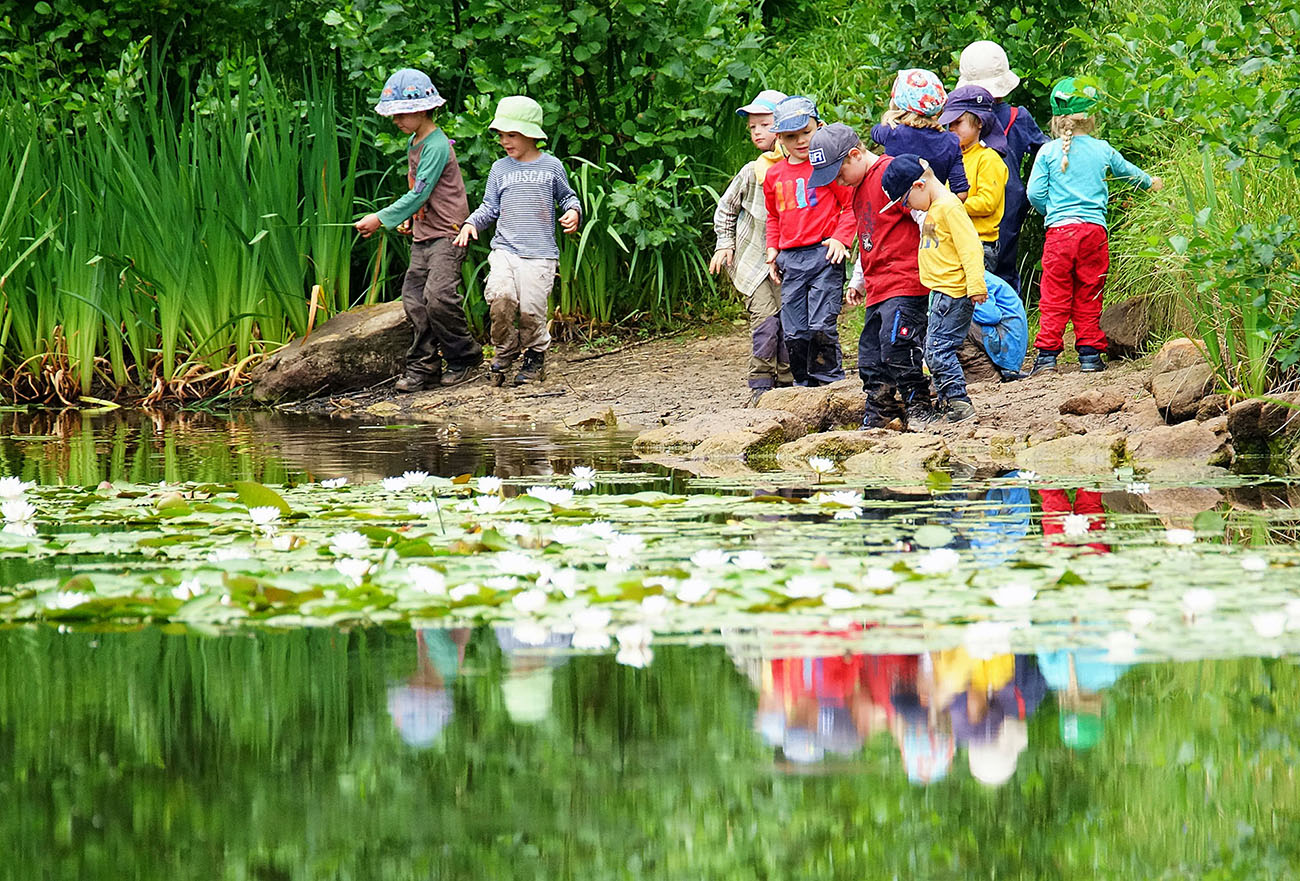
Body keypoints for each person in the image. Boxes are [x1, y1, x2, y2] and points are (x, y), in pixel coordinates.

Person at [355, 69, 483, 391]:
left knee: (438, 297)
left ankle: (464, 356)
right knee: (413, 300)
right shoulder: (415, 141)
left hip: (449, 233)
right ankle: (424, 367)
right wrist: (410, 218)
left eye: (401, 114)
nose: (395, 121)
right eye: (393, 114)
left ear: (422, 110)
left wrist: (380, 218)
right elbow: (420, 190)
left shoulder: (437, 145)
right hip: (424, 234)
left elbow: (420, 193)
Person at [1026, 76, 1163, 374]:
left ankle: (1047, 356)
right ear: (1092, 115)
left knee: (1054, 293)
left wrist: (1052, 212)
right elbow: (1131, 174)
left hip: (1060, 234)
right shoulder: (1102, 149)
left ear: (1056, 118)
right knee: (1089, 291)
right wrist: (1153, 183)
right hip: (1093, 233)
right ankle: (1089, 355)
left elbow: (1034, 193)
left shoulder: (1048, 152)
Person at [811, 124, 934, 428]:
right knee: (869, 353)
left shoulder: (890, 174)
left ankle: (918, 404)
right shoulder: (857, 191)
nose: (838, 182)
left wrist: (935, 259)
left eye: (838, 174)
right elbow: (869, 239)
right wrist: (858, 280)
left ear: (854, 154)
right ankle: (880, 410)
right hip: (878, 288)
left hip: (906, 282)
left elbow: (925, 213)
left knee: (898, 347)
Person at [455, 95, 582, 386]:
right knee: (500, 297)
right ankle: (505, 348)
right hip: (505, 250)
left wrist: (573, 212)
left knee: (532, 311)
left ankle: (535, 356)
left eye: (511, 135)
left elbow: (567, 197)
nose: (504, 141)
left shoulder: (551, 167)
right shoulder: (500, 170)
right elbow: (489, 207)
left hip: (539, 254)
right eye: (501, 135)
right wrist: (471, 223)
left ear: (530, 135)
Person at [880, 154, 988, 423]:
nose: (907, 207)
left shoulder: (950, 207)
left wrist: (976, 285)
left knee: (939, 350)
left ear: (919, 186)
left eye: (906, 201)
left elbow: (970, 247)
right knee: (933, 350)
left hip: (953, 293)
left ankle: (959, 403)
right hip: (938, 292)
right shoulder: (933, 210)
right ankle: (946, 401)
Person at [763, 96, 856, 386]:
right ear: (779, 138)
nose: (801, 142)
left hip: (825, 254)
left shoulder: (826, 168)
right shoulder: (774, 175)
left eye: (807, 133)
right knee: (794, 330)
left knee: (821, 324)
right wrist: (772, 251)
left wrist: (841, 240)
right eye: (792, 137)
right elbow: (773, 216)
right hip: (790, 259)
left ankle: (829, 381)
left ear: (820, 127)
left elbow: (850, 206)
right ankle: (802, 385)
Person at [710, 89, 794, 405]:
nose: (758, 132)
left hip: (787, 259)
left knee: (788, 319)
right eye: (752, 127)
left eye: (765, 124)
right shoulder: (752, 171)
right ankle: (760, 380)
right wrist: (724, 244)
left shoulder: (801, 167)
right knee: (765, 318)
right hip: (752, 260)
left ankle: (787, 381)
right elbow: (726, 209)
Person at [955, 40, 1050, 294]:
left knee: (965, 266)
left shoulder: (959, 121)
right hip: (1009, 202)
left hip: (967, 201)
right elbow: (1045, 151)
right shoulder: (1019, 117)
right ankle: (1010, 322)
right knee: (1005, 267)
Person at [938, 85, 1009, 271]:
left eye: (958, 122)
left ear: (980, 122)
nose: (951, 128)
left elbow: (987, 203)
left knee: (974, 297)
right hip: (955, 240)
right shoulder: (955, 156)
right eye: (949, 124)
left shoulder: (988, 158)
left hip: (980, 243)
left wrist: (949, 206)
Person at [871, 69, 970, 198]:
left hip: (896, 209)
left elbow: (875, 132)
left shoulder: (891, 132)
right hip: (930, 212)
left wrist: (892, 119)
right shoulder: (950, 141)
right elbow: (961, 192)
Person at [968, 271, 1029, 381]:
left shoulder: (975, 279)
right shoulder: (982, 276)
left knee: (953, 324)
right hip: (1010, 345)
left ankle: (982, 372)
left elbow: (989, 316)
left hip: (1006, 343)